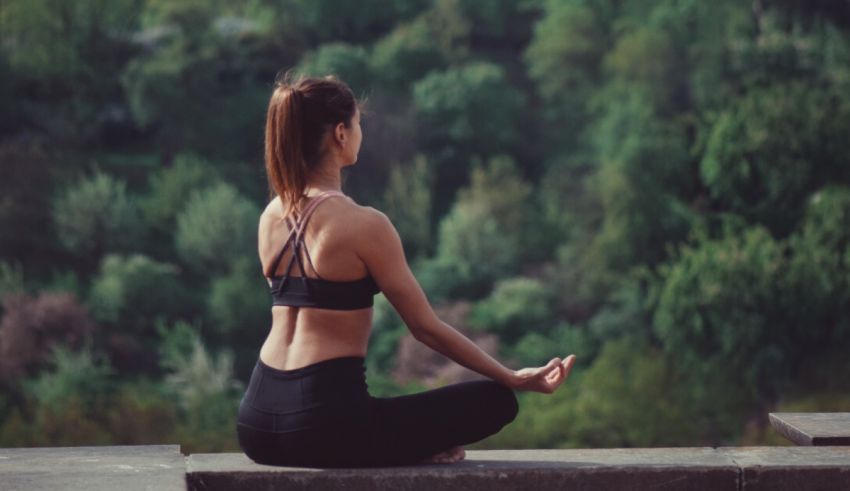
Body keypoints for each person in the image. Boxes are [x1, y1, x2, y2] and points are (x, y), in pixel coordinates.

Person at [235, 72, 577, 468]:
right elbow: (425, 327)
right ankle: (411, 448)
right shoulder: (365, 224)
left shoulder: (271, 215)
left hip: (256, 425)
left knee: (382, 418)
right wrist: (512, 377)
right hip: (322, 428)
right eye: (359, 123)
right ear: (341, 134)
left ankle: (404, 445)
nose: (362, 132)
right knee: (495, 401)